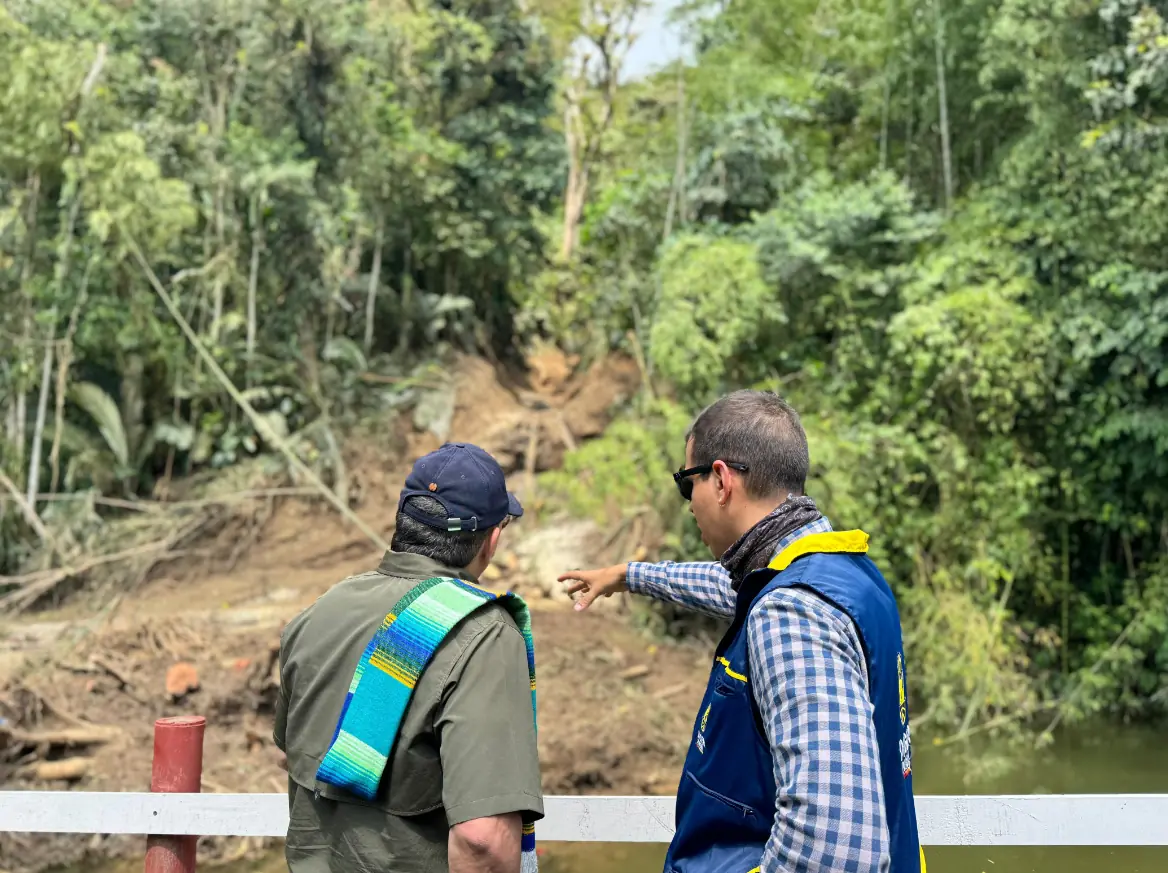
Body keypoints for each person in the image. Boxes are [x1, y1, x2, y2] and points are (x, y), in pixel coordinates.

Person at [559, 390, 924, 873]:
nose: (688, 503)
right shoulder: (842, 575)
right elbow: (738, 589)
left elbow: (835, 850)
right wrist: (628, 575)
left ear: (721, 480)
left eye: (687, 482)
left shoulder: (794, 612)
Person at [274, 442, 543, 873]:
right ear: (491, 541)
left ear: (403, 520)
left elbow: (292, 748)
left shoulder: (321, 611)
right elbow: (483, 842)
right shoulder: (484, 635)